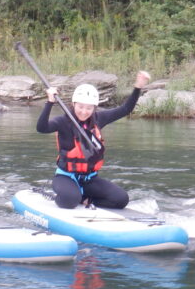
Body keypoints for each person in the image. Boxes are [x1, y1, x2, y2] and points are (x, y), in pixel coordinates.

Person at [37, 71, 151, 210]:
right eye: (80, 107)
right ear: (74, 104)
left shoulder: (98, 119)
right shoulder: (62, 122)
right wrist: (49, 102)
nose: (84, 112)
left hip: (89, 179)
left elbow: (125, 109)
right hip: (65, 177)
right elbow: (42, 128)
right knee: (70, 199)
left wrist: (138, 86)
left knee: (121, 199)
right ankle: (68, 196)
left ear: (94, 108)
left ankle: (86, 200)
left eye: (89, 108)